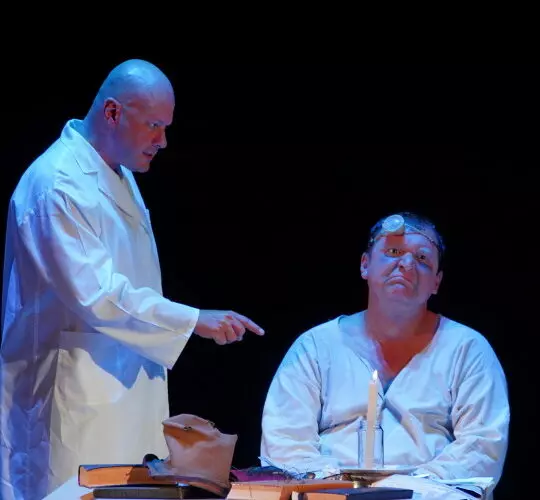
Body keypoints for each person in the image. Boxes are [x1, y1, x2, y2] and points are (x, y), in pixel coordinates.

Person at [0, 59, 265, 500]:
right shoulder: (56, 184)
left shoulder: (116, 172)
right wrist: (192, 320)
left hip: (124, 393)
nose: (163, 141)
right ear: (112, 112)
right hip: (71, 399)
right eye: (154, 126)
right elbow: (97, 293)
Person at [260, 212, 509, 491]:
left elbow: (481, 447)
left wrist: (403, 488)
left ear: (436, 282)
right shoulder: (315, 347)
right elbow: (285, 444)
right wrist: (343, 488)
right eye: (393, 252)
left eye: (422, 258)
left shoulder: (468, 349)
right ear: (365, 265)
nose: (406, 264)